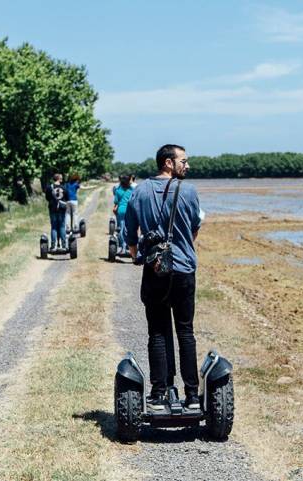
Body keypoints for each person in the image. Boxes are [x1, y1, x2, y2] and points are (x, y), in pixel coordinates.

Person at [124, 144, 202, 410]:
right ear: (169, 163)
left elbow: (129, 233)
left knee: (158, 332)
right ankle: (192, 396)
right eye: (184, 161)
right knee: (185, 331)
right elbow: (194, 229)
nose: (187, 165)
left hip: (155, 269)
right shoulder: (189, 192)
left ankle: (160, 392)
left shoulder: (140, 191)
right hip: (183, 271)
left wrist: (137, 255)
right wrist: (183, 248)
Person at [45, 173, 68, 250]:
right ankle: (64, 245)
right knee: (62, 226)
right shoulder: (64, 188)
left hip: (52, 208)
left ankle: (53, 245)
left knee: (54, 227)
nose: (62, 179)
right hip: (61, 208)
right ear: (58, 179)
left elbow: (47, 198)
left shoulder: (49, 188)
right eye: (61, 178)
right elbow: (67, 198)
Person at [113, 174, 134, 255]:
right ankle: (130, 247)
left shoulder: (118, 191)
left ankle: (122, 247)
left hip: (121, 210)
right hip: (130, 210)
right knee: (129, 229)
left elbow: (116, 203)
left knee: (121, 228)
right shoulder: (132, 190)